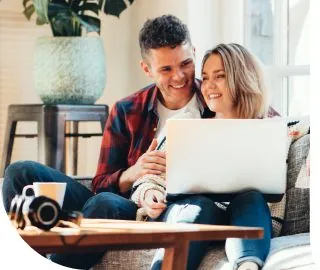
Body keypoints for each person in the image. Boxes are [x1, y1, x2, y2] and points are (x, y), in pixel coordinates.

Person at [2, 15, 218, 270]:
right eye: (166, 69)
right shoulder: (127, 109)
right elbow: (101, 182)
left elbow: (261, 113)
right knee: (19, 172)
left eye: (186, 63)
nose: (179, 76)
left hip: (163, 210)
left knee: (102, 203)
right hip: (125, 202)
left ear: (194, 53)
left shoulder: (217, 100)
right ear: (147, 69)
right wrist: (135, 172)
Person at [131, 43, 275, 270]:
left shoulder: (272, 130)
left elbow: (309, 128)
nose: (208, 86)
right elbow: (149, 178)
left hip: (242, 218)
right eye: (205, 77)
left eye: (220, 76)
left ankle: (248, 265)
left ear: (242, 78)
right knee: (199, 205)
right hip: (189, 213)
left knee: (251, 197)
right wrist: (150, 193)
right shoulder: (185, 127)